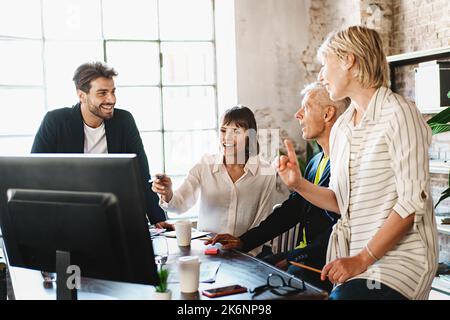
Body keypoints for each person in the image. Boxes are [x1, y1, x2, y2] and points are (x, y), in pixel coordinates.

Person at [275, 26, 438, 300]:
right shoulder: (343, 128)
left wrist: (362, 259)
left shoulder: (400, 113)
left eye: (325, 64)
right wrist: (298, 184)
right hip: (355, 262)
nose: (321, 75)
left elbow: (412, 204)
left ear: (348, 60)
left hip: (400, 264)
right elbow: (341, 202)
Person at [205, 83, 350, 292]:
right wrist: (243, 242)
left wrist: (293, 257)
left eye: (306, 108)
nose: (297, 114)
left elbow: (339, 226)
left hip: (326, 264)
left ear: (328, 114)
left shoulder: (344, 163)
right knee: (249, 273)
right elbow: (291, 211)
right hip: (304, 258)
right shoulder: (316, 160)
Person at [31, 61, 171, 229]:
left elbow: (140, 174)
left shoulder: (124, 121)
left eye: (113, 92)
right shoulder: (55, 122)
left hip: (116, 217)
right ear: (82, 95)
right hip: (68, 219)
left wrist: (157, 218)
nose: (111, 99)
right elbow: (34, 176)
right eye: (102, 93)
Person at [152, 106, 278, 251]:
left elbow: (262, 222)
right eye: (223, 130)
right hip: (207, 251)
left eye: (236, 131)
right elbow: (178, 204)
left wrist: (244, 248)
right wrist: (167, 192)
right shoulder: (205, 165)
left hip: (246, 254)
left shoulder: (265, 173)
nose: (227, 137)